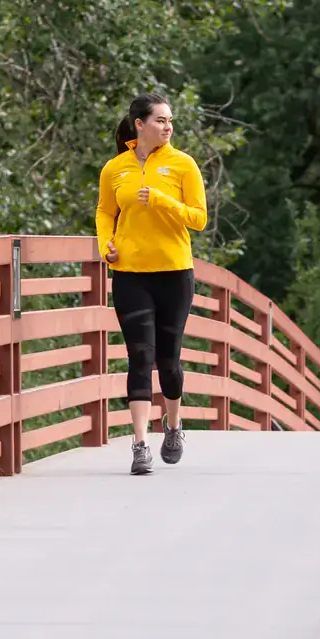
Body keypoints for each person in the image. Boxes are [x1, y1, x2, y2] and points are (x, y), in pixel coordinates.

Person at [98, 94, 210, 475]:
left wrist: (163, 201)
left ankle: (174, 426)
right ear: (139, 124)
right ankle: (140, 444)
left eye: (170, 121)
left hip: (174, 274)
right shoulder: (115, 168)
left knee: (169, 360)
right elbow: (104, 211)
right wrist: (104, 246)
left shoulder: (183, 164)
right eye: (160, 120)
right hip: (130, 274)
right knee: (140, 357)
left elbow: (199, 219)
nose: (168, 127)